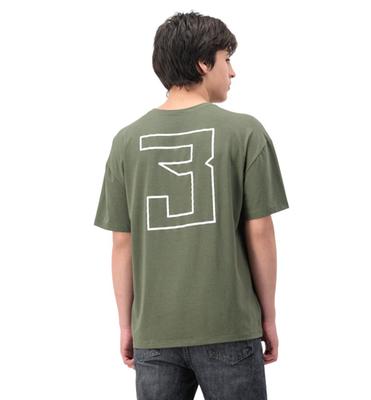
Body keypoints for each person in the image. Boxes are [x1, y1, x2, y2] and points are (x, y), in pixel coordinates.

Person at [94, 10, 289, 400]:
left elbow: (122, 243)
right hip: (229, 325)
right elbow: (260, 232)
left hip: (155, 333)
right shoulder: (245, 132)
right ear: (203, 63)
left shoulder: (125, 142)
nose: (232, 72)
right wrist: (267, 316)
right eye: (226, 59)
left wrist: (127, 325)